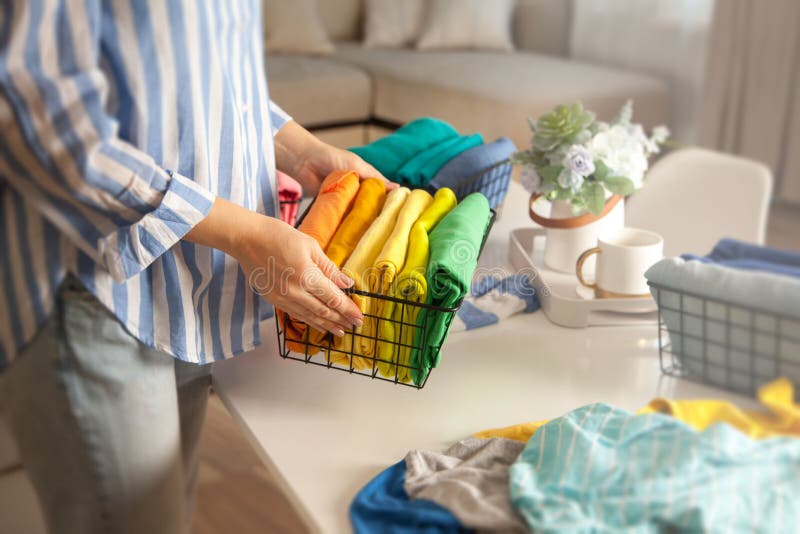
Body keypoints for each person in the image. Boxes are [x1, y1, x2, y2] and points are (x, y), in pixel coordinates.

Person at [0, 1, 392, 533]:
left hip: (190, 275)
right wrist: (247, 233)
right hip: (91, 283)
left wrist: (303, 152)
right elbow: (32, 113)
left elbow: (198, 70)